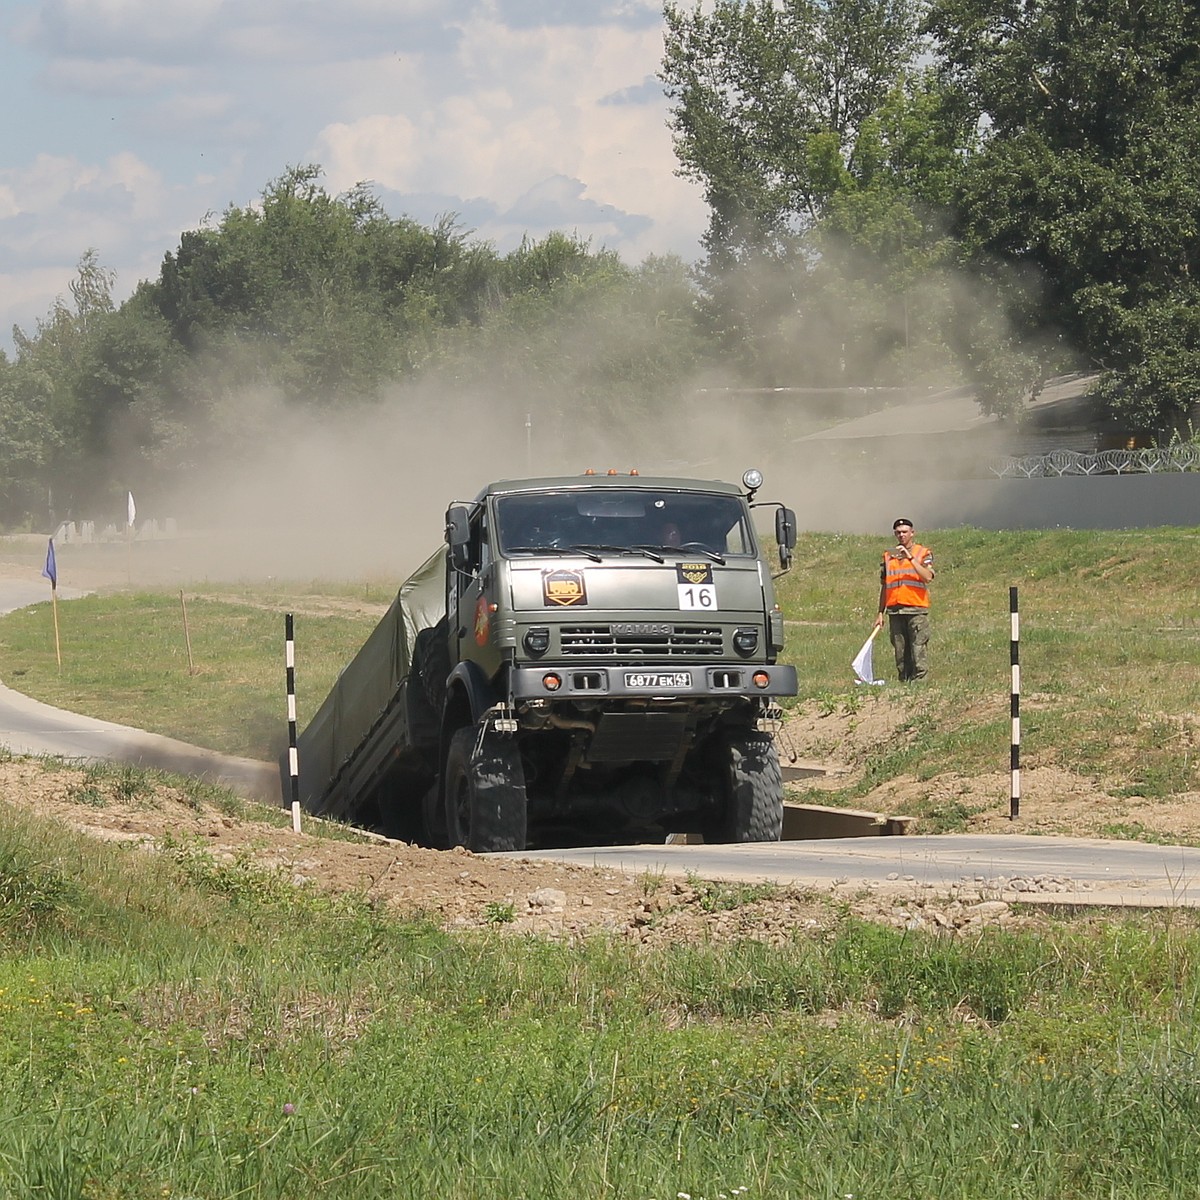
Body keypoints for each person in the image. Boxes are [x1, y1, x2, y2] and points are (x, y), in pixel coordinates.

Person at [873, 517, 935, 682]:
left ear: (912, 533)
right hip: (895, 610)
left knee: (918, 647)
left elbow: (928, 576)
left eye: (905, 532)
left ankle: (921, 681)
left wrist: (910, 558)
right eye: (898, 532)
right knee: (900, 650)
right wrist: (880, 612)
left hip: (916, 608)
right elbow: (885, 586)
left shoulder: (922, 553)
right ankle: (905, 682)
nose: (901, 535)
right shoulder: (888, 556)